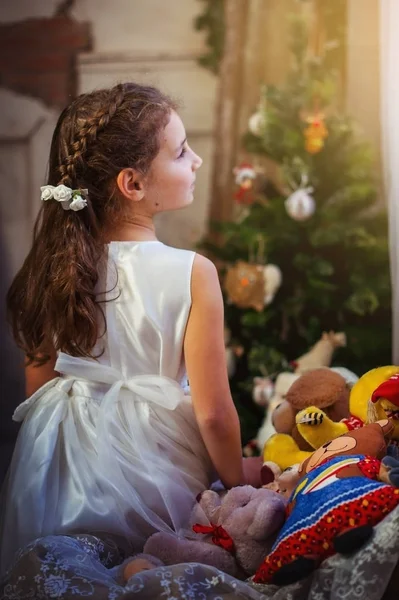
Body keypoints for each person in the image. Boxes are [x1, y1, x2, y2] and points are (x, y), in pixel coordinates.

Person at [0, 82, 257, 575]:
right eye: (181, 152)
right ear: (133, 184)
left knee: (64, 572)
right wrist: (237, 478)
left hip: (58, 467)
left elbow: (37, 388)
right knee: (159, 564)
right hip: (155, 467)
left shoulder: (50, 265)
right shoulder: (192, 272)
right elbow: (215, 416)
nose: (197, 160)